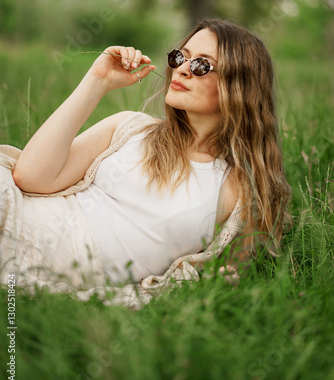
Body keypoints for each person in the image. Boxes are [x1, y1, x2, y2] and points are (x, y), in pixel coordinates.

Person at [0, 18, 291, 307]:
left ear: (240, 86)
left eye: (202, 65)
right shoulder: (131, 127)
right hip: (16, 217)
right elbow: (29, 178)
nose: (182, 70)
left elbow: (227, 280)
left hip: (46, 265)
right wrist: (97, 81)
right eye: (180, 57)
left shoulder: (239, 190)